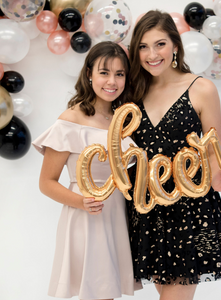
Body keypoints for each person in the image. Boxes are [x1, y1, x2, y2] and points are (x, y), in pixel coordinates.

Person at [126, 10, 221, 300]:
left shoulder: (201, 88)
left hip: (189, 208)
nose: (152, 54)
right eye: (143, 46)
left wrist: (220, 177)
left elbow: (213, 151)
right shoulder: (132, 93)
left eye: (160, 44)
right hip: (146, 209)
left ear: (176, 45)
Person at [32, 41, 141, 300]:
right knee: (96, 293)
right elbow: (46, 182)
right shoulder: (71, 120)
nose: (112, 81)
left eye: (119, 74)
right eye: (104, 72)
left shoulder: (121, 120)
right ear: (89, 73)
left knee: (107, 294)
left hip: (117, 216)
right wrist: (82, 202)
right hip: (87, 217)